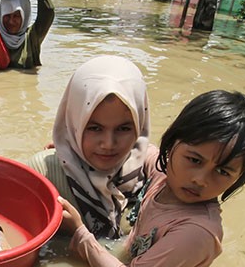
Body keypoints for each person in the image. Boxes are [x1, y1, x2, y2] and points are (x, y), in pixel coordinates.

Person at [59, 90, 245, 267]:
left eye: (222, 171)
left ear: (239, 177)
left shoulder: (196, 232)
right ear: (172, 143)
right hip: (130, 252)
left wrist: (80, 233)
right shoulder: (164, 173)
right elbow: (136, 150)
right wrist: (76, 152)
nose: (200, 179)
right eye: (194, 160)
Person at [27, 55, 153, 240]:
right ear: (74, 123)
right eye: (94, 128)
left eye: (124, 129)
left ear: (140, 124)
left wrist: (80, 234)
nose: (108, 144)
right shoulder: (43, 174)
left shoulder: (151, 171)